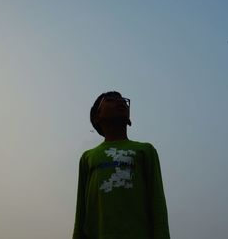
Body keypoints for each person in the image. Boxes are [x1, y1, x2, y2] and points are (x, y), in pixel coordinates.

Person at [73, 91, 170, 239]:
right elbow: (81, 211)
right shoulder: (88, 157)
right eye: (110, 100)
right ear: (97, 117)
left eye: (123, 100)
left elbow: (157, 204)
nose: (120, 102)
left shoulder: (145, 150)